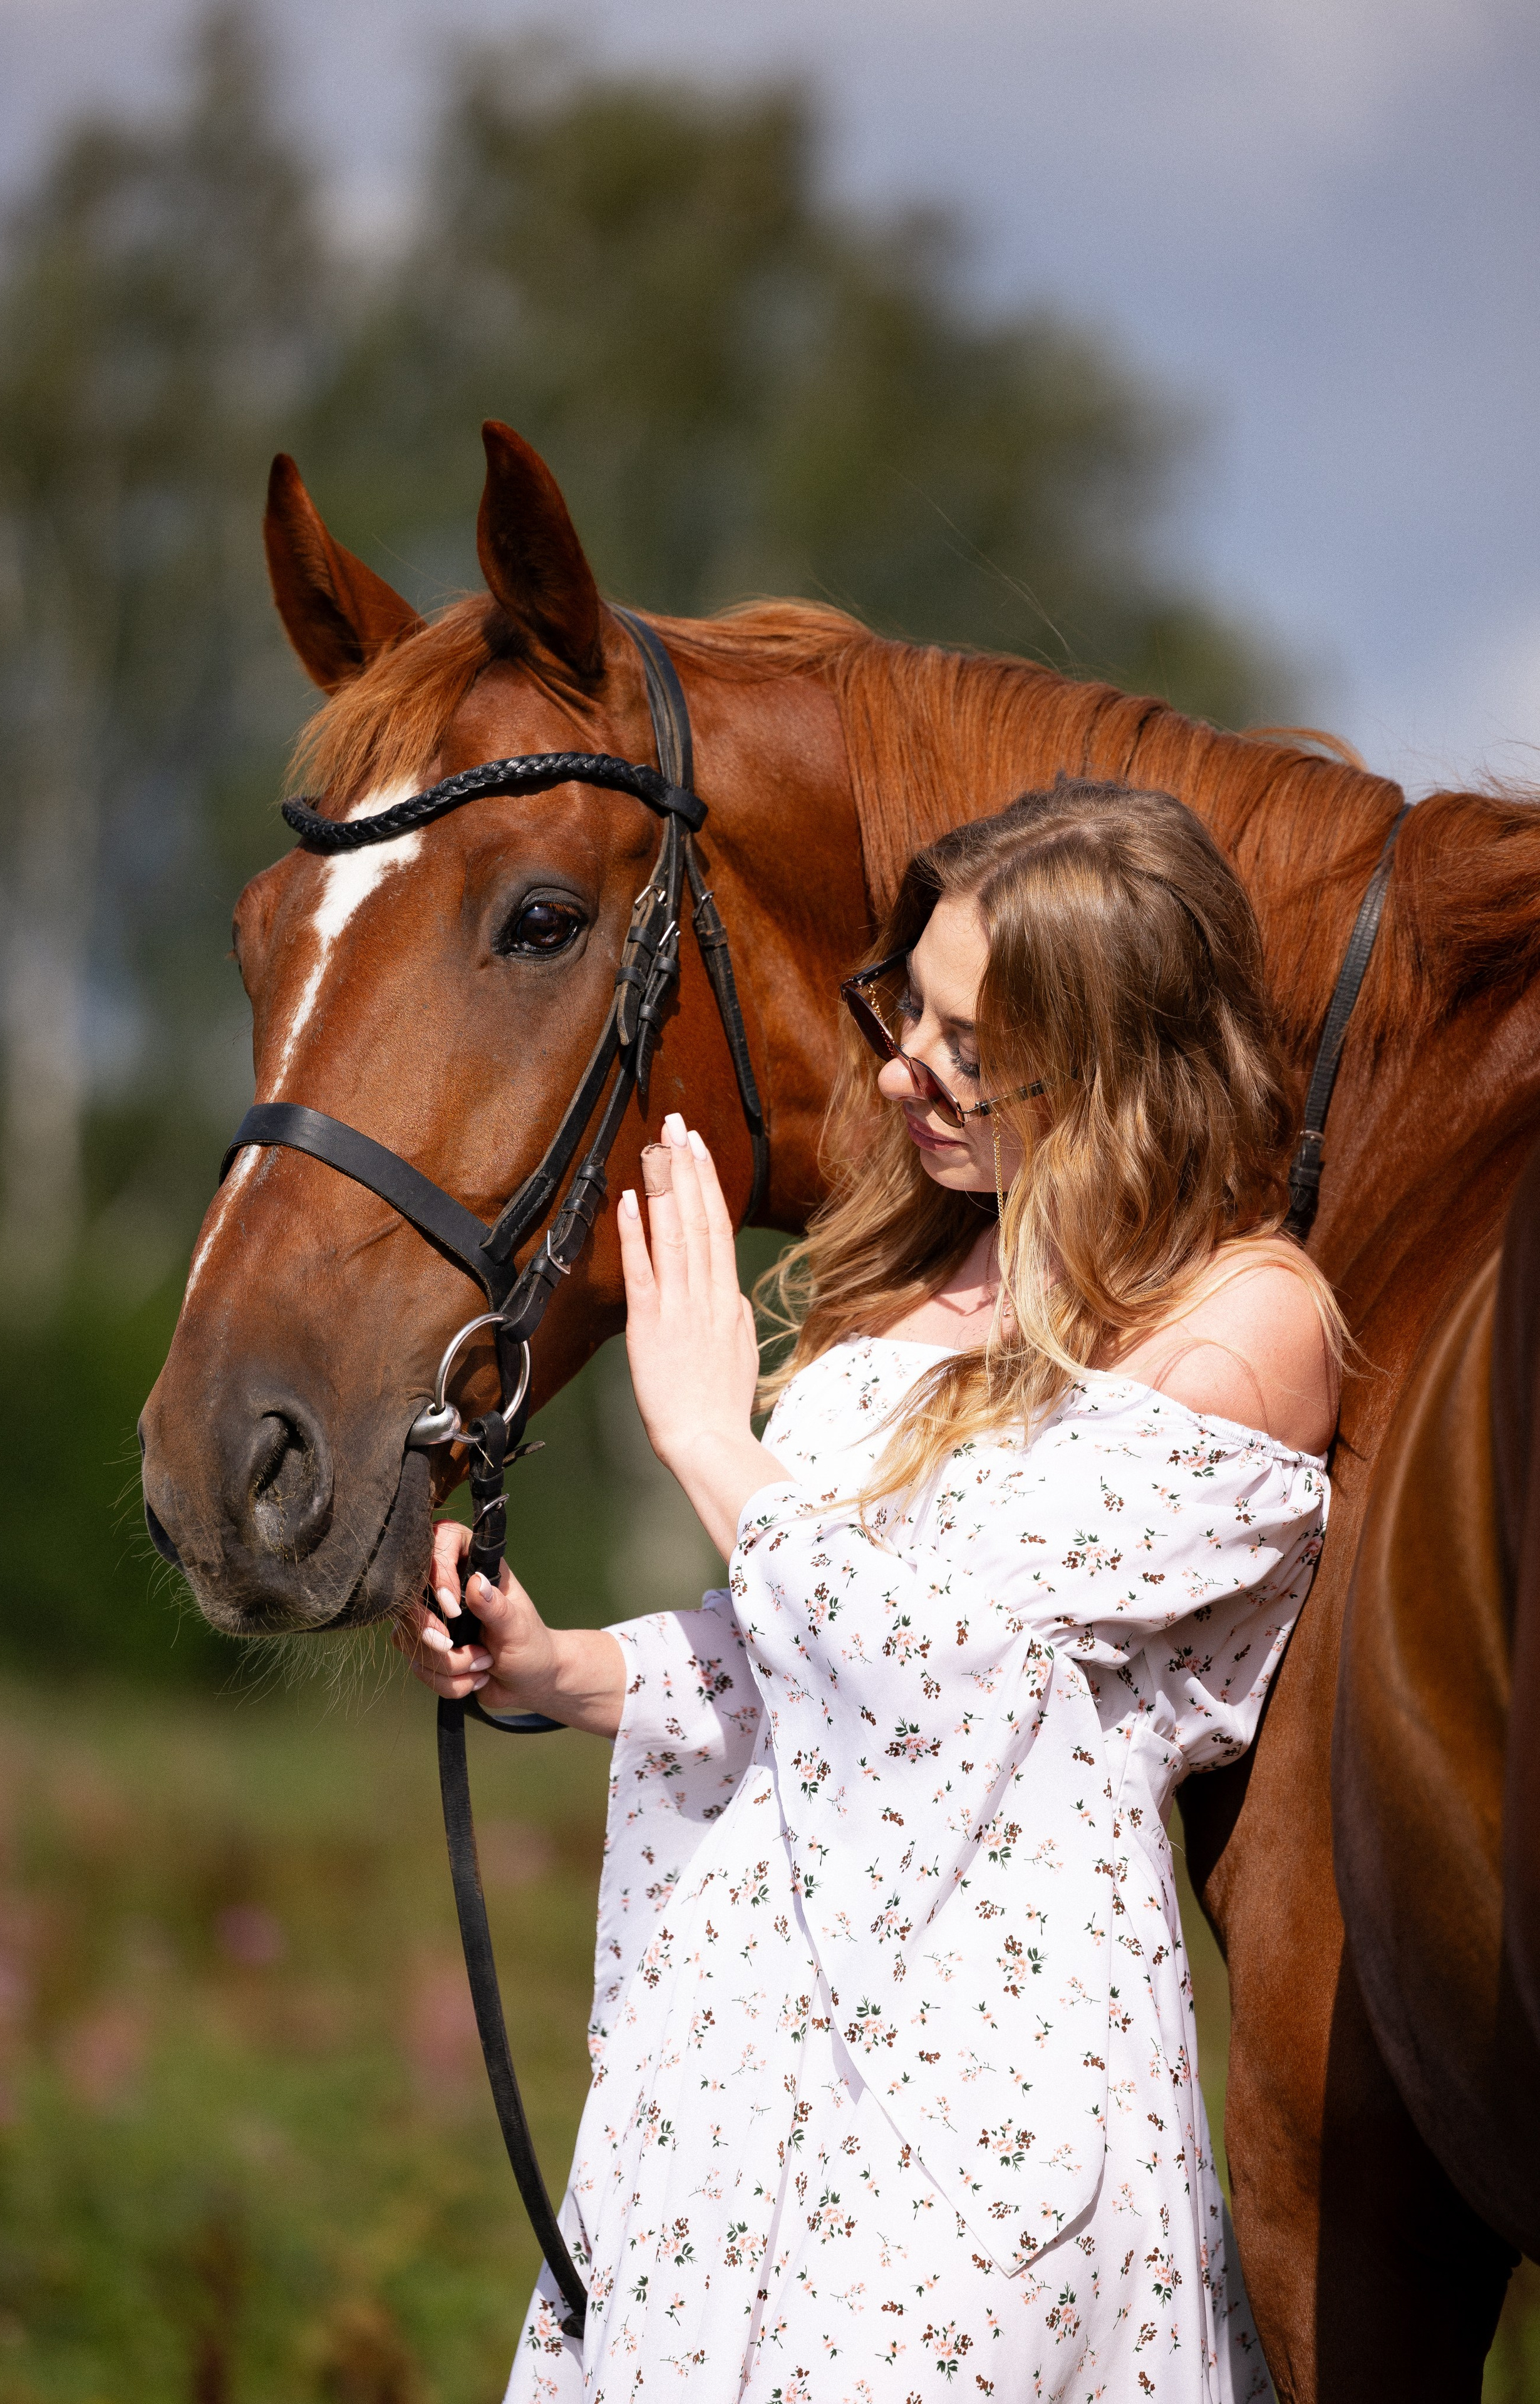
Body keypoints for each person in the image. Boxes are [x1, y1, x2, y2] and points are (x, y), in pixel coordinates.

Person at [398, 778, 1340, 2402]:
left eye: (973, 1047)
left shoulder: (1239, 1326)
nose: (906, 1068)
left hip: (973, 2109)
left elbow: (943, 1670)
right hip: (732, 2078)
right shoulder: (927, 1268)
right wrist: (558, 1666)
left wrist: (711, 1438)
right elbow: (799, 1663)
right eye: (909, 1010)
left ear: (1117, 1065)